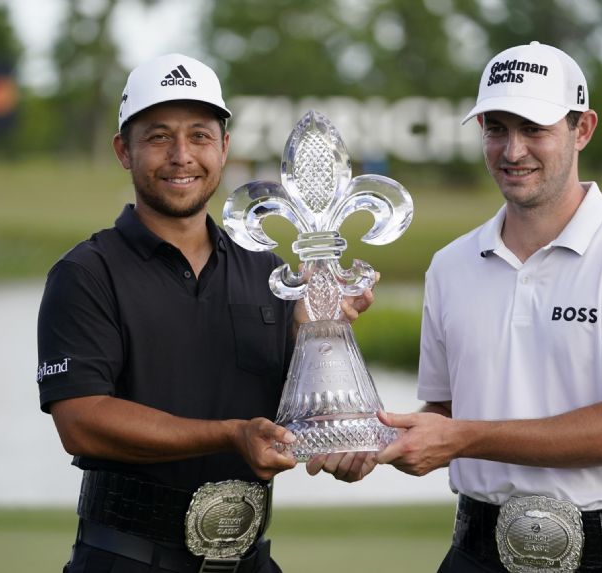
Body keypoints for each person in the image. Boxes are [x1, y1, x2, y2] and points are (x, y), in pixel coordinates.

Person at [318, 41, 602, 571]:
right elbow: (446, 415)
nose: (512, 150)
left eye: (534, 129)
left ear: (582, 129)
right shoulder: (451, 264)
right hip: (477, 553)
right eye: (496, 128)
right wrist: (372, 438)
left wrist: (459, 439)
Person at [36, 53, 373, 573]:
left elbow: (295, 416)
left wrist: (323, 357)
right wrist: (230, 434)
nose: (181, 156)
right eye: (157, 137)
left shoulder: (270, 271)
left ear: (224, 148)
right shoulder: (87, 273)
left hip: (249, 558)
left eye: (199, 135)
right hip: (125, 557)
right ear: (124, 151)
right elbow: (82, 423)